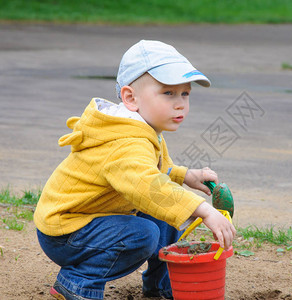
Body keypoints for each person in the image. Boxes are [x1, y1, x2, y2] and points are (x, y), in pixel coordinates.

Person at [34, 40, 236, 300]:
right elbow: (147, 185)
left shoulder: (142, 127)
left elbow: (151, 170)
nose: (180, 104)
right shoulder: (125, 141)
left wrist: (186, 175)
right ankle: (78, 282)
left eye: (185, 93)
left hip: (94, 219)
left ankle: (162, 285)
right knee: (145, 233)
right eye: (168, 93)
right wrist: (204, 209)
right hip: (67, 231)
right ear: (130, 97)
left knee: (166, 212)